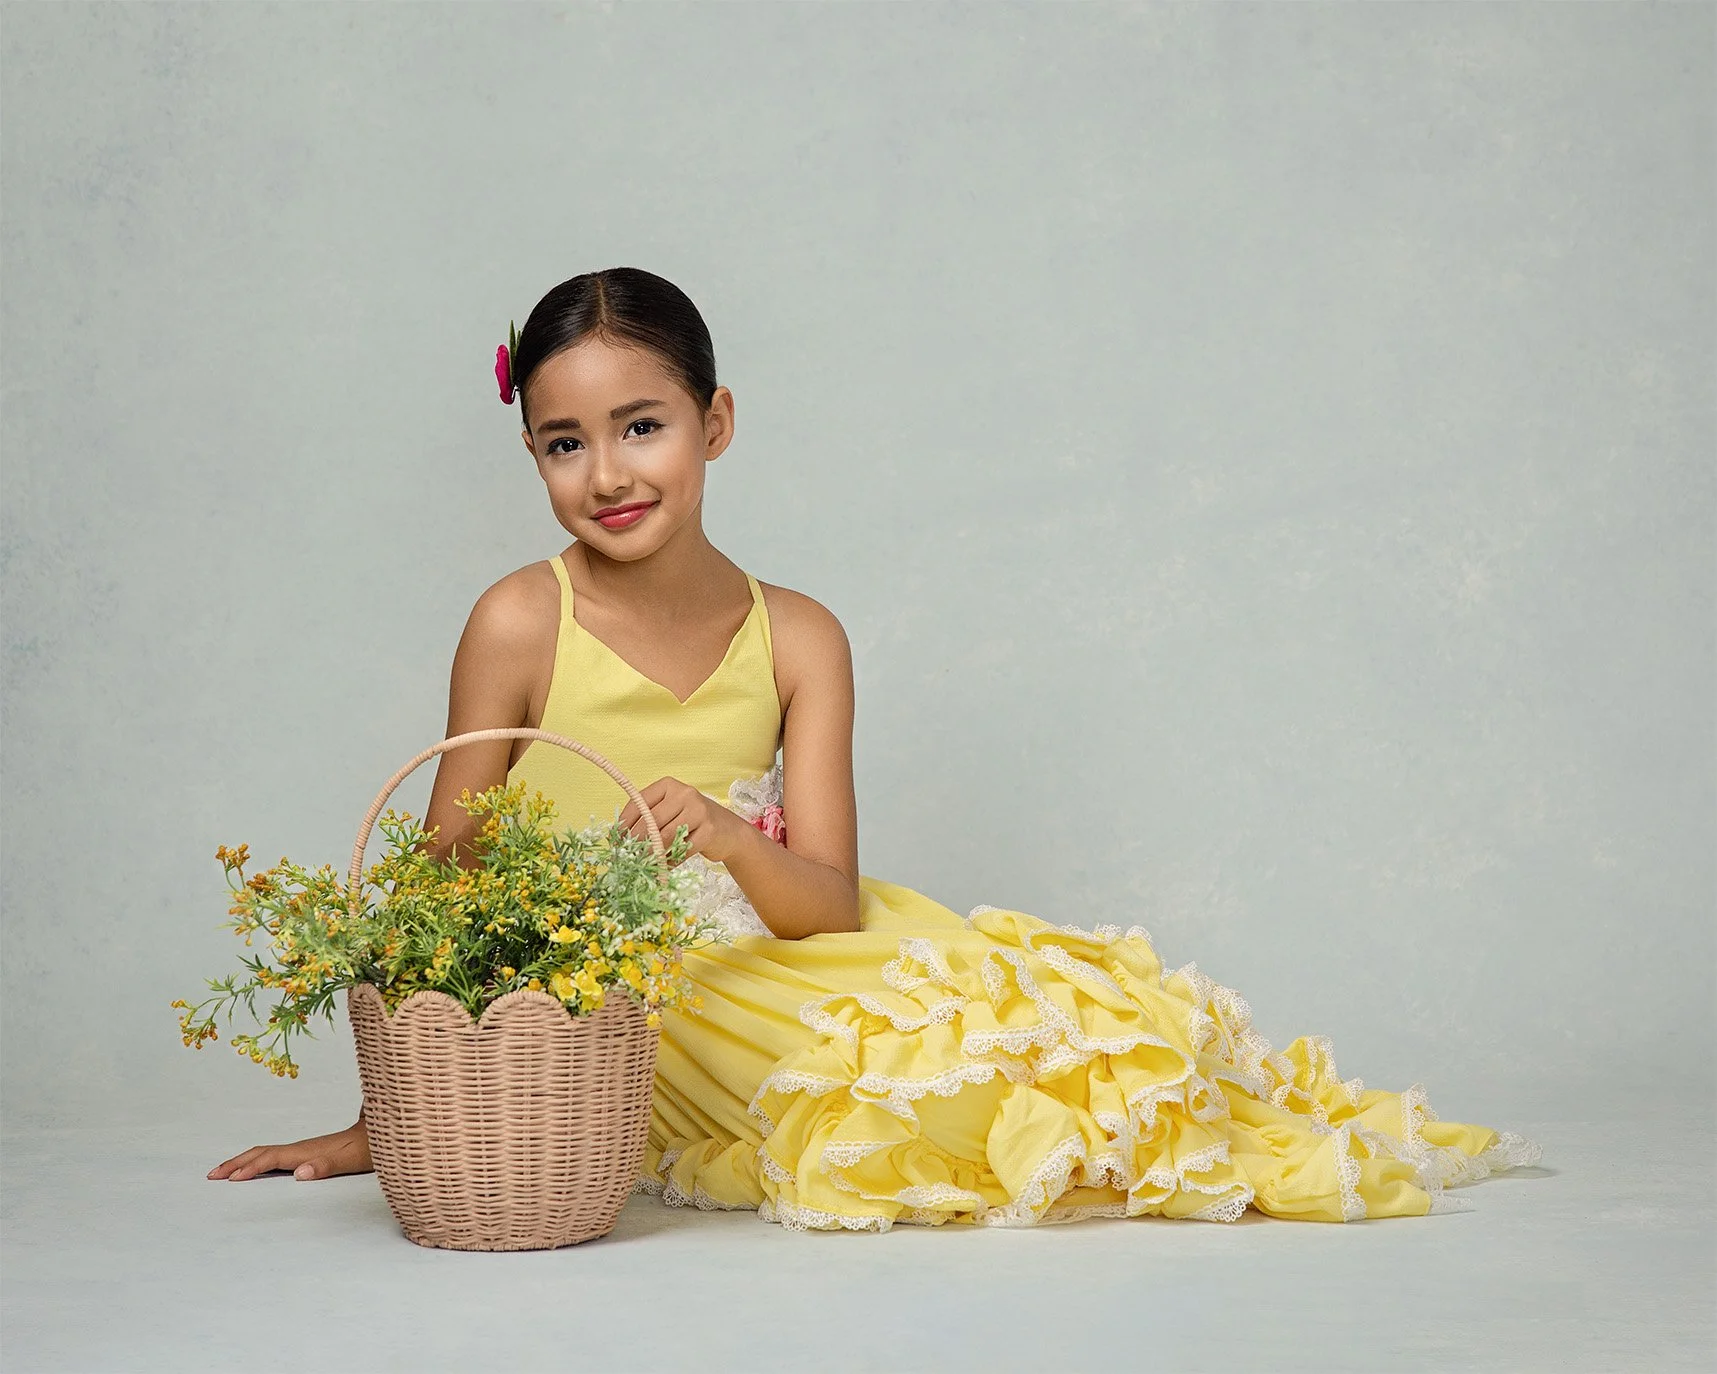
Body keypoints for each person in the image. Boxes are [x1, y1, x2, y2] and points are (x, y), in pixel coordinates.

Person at [207, 267, 1542, 1229]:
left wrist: (729, 831)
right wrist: (396, 1116)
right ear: (533, 454)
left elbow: (828, 899)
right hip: (624, 994)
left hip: (773, 935)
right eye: (564, 443)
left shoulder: (799, 635)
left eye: (642, 426)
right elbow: (438, 876)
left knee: (1023, 1016)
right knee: (876, 1088)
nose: (607, 471)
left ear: (715, 424)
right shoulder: (518, 618)